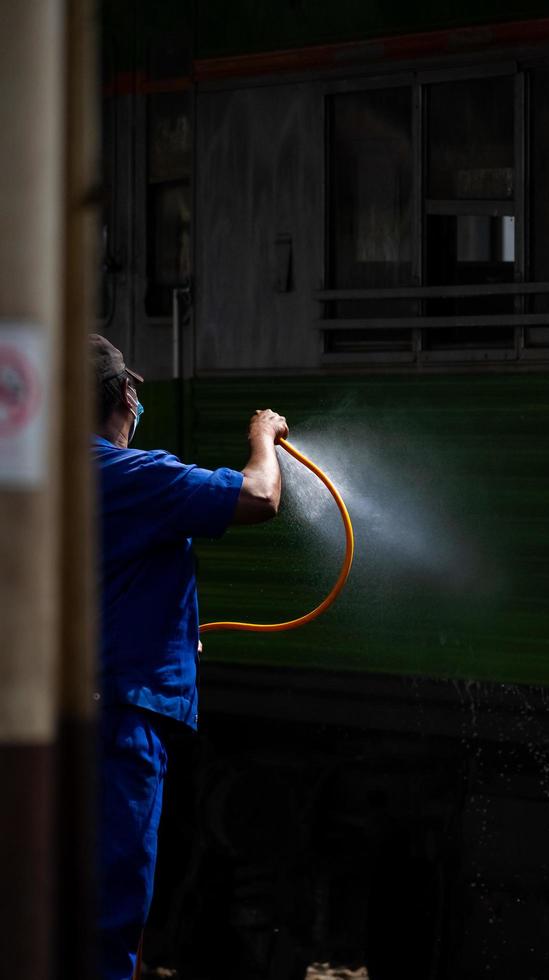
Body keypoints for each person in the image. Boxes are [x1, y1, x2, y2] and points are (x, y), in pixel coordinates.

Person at [89, 333, 288, 980]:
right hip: (119, 721)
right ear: (124, 395)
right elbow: (260, 496)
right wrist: (265, 436)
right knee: (110, 916)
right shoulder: (130, 475)